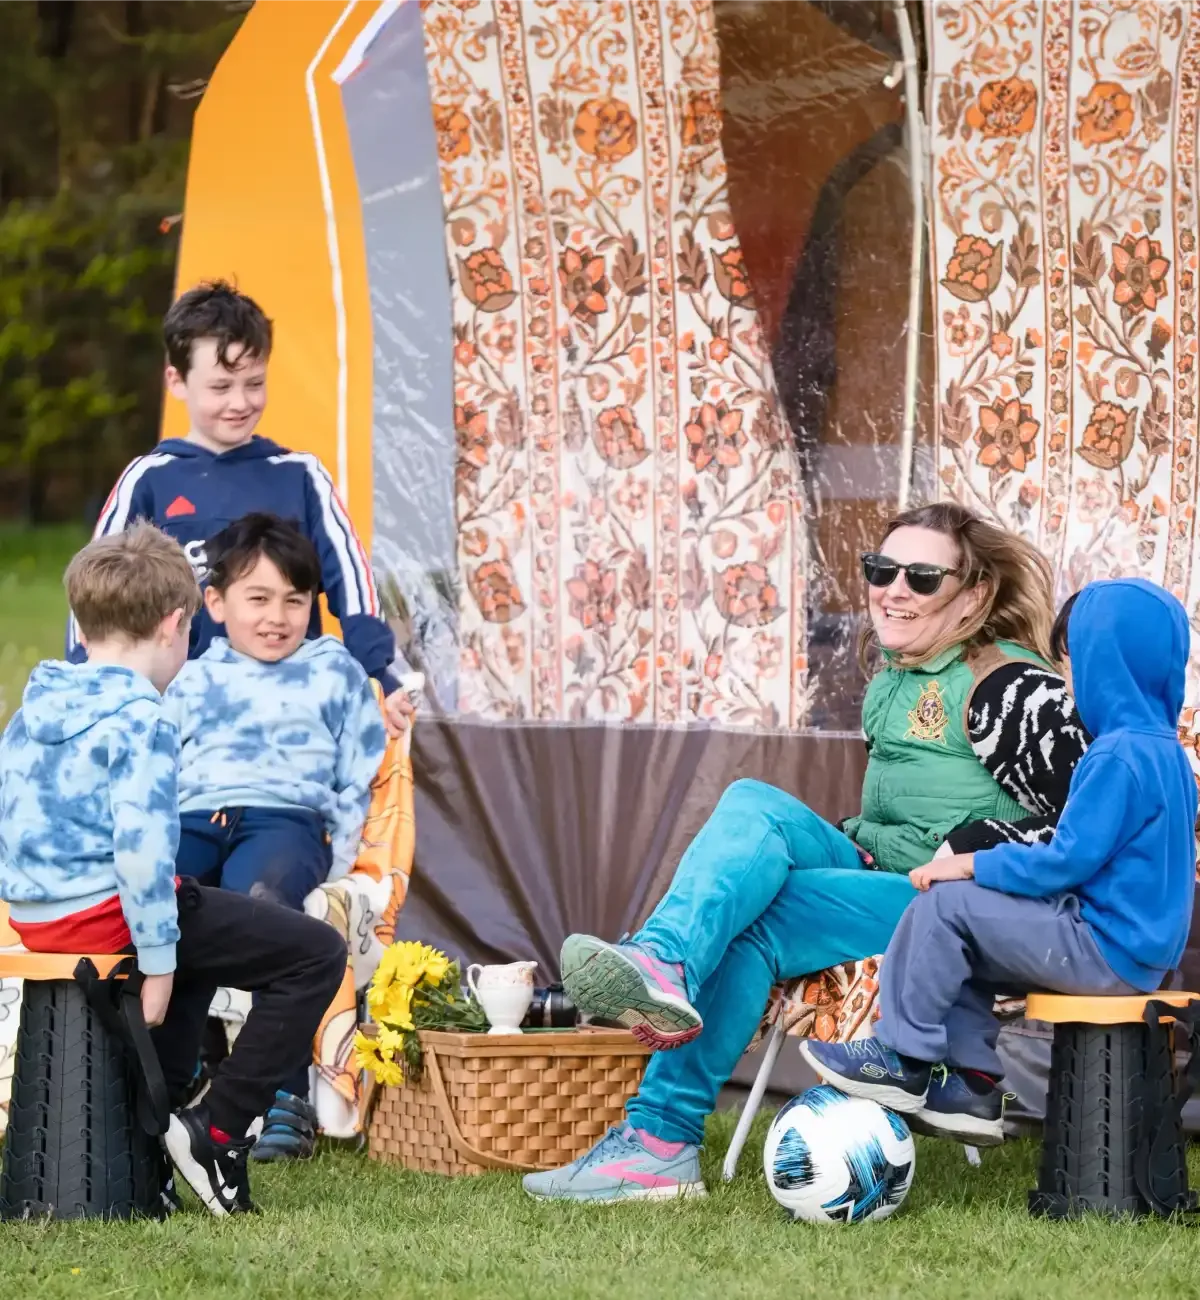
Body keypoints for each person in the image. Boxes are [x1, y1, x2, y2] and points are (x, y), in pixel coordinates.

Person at [524, 502, 1089, 1203]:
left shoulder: (1008, 686)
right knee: (754, 803)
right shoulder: (894, 681)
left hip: (957, 906)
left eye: (922, 577)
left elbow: (1086, 823)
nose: (895, 590)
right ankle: (663, 961)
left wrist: (971, 849)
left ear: (974, 594)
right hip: (886, 871)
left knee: (760, 917)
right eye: (882, 571)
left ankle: (659, 1143)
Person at [0, 523, 346, 1217]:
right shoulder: (142, 719)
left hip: (37, 914)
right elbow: (141, 851)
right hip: (106, 910)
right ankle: (215, 1129)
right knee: (313, 954)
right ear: (174, 623)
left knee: (202, 925)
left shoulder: (39, 704)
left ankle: (150, 1142)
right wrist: (156, 962)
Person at [803, 579, 1197, 1114]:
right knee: (971, 933)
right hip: (1137, 952)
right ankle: (975, 1084)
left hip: (1106, 950)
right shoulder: (1165, 754)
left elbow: (1066, 860)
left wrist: (970, 864)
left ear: (1111, 664)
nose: (1067, 681)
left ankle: (901, 1057)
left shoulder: (1116, 757)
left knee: (944, 907)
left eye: (1073, 664)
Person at [65, 279, 413, 738]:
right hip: (177, 723)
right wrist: (83, 680)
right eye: (221, 386)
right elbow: (95, 591)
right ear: (177, 381)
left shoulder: (301, 476)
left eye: (254, 383)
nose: (240, 402)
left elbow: (352, 583)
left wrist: (380, 675)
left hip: (288, 721)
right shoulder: (148, 480)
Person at [164, 512, 388, 1161]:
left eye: (294, 600)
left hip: (283, 819)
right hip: (193, 816)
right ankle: (167, 1080)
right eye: (257, 598)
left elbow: (361, 769)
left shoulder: (331, 669)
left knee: (264, 913)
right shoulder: (192, 675)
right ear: (215, 601)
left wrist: (342, 859)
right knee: (158, 906)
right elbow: (158, 762)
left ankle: (276, 1096)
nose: (277, 617)